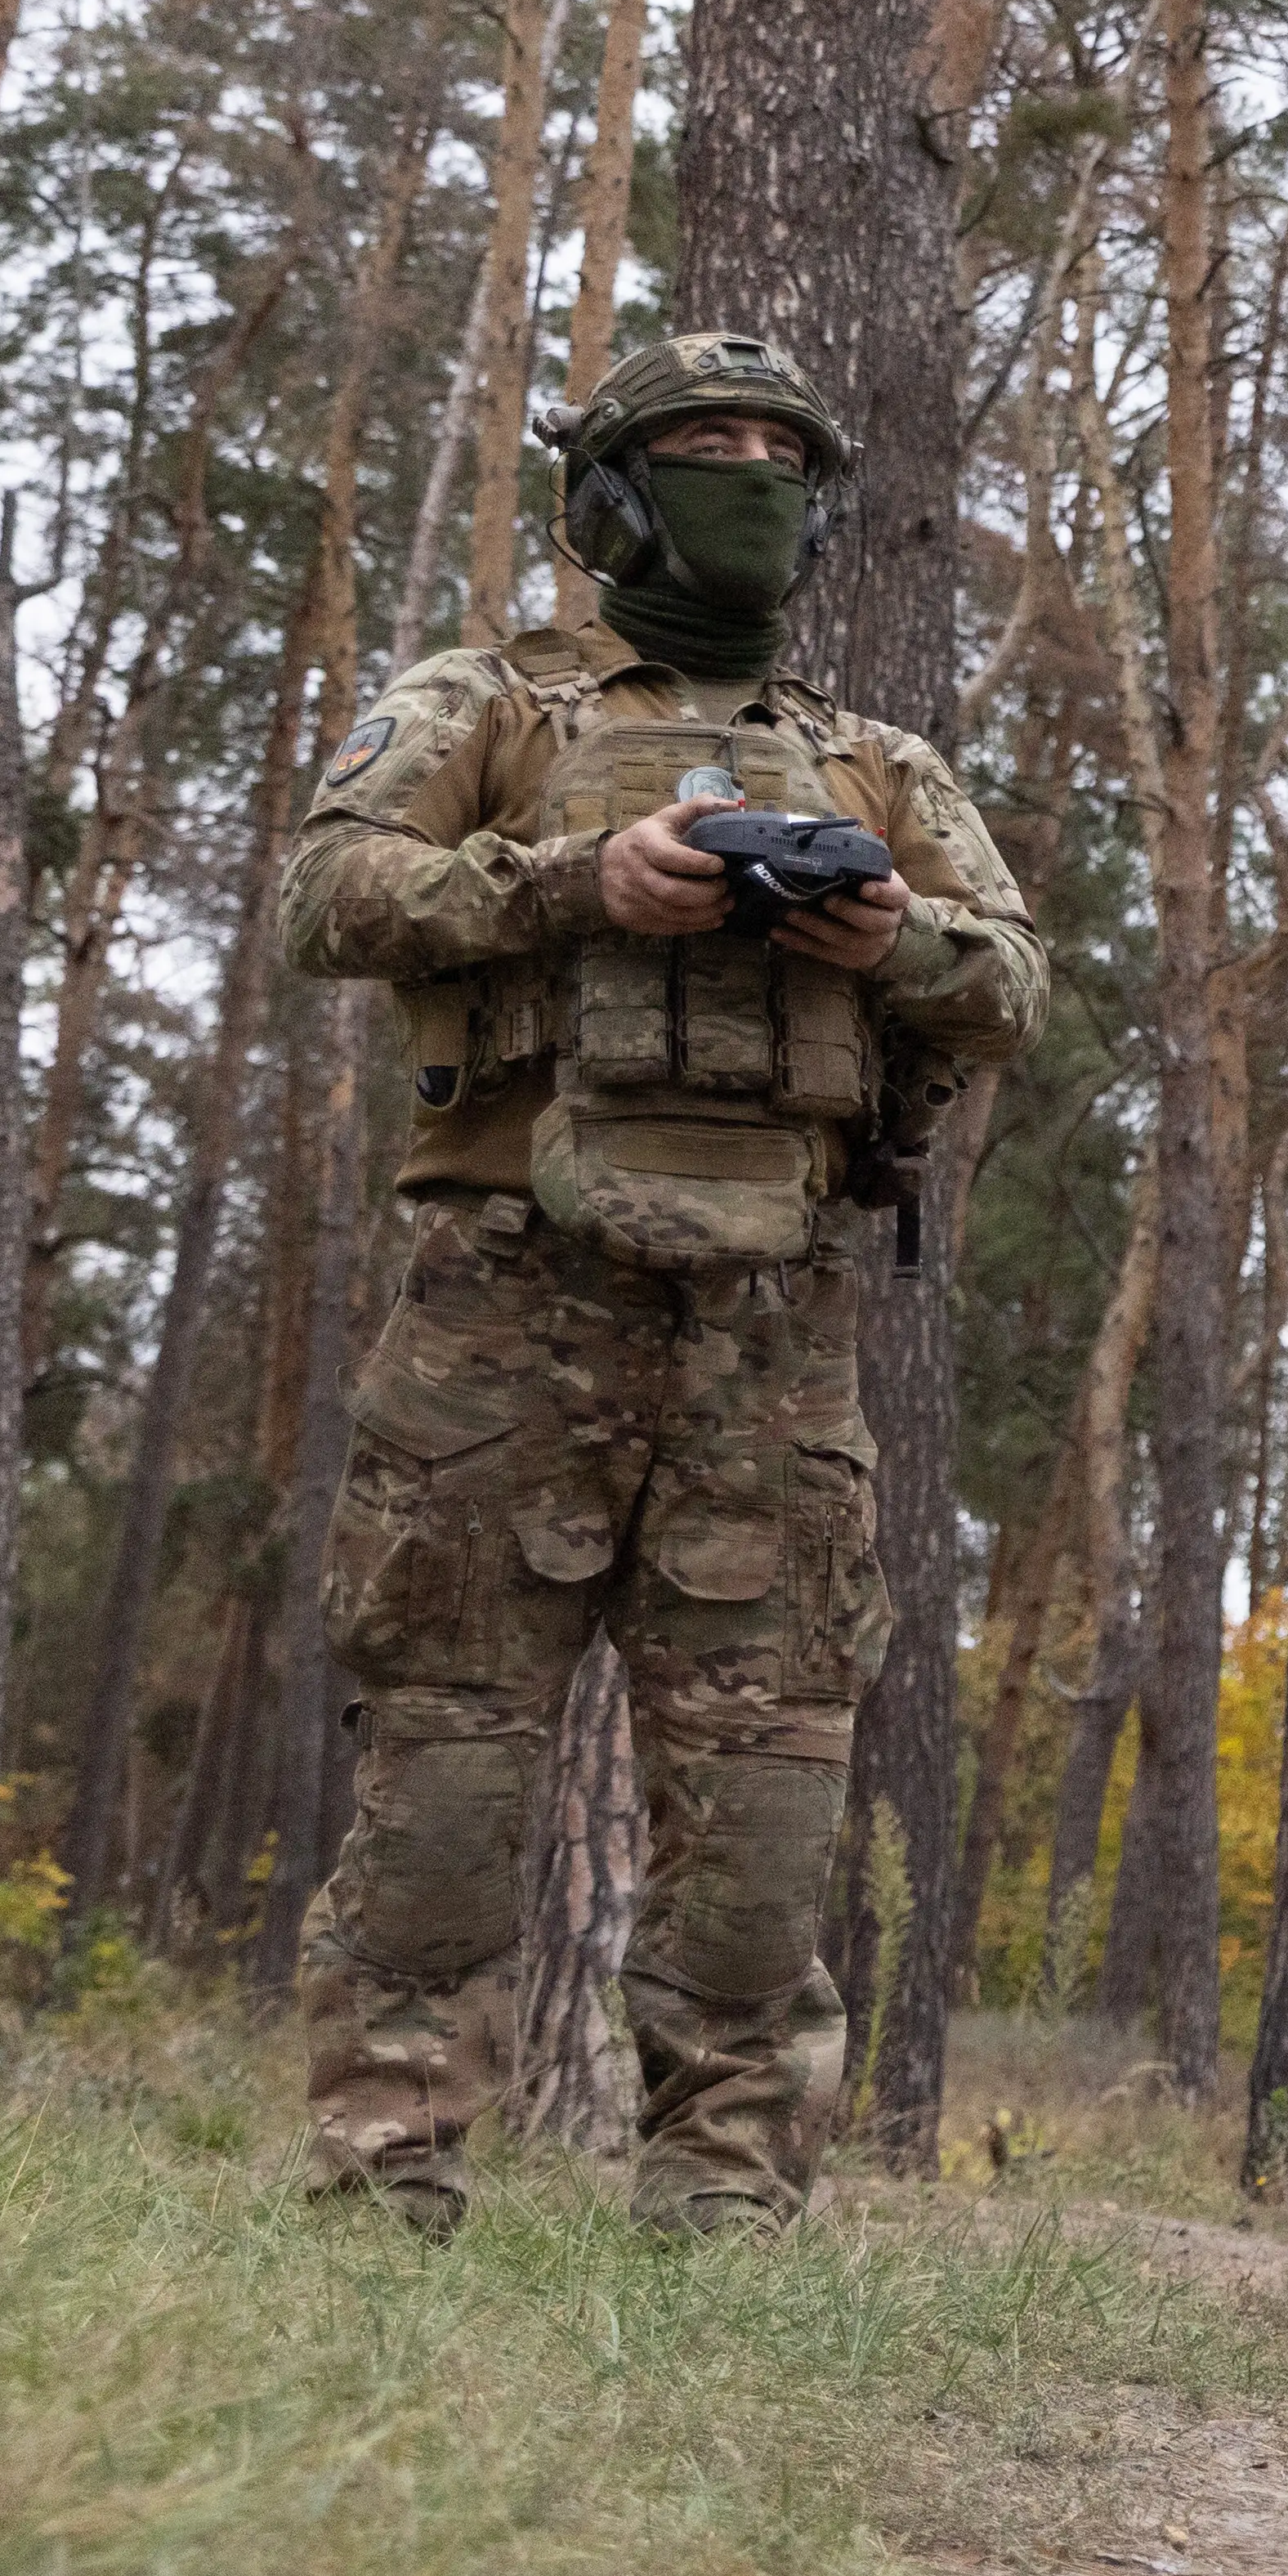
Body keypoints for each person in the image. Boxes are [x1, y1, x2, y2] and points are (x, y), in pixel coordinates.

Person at [273, 328, 1045, 2239]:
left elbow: (1016, 982)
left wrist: (888, 930)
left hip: (771, 1339)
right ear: (609, 493)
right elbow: (327, 896)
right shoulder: (486, 702)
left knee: (768, 1803)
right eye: (702, 449)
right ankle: (381, 2202)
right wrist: (572, 884)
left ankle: (723, 2216)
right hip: (502, 1309)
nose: (746, 483)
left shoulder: (874, 757)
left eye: (779, 457)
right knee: (445, 1773)